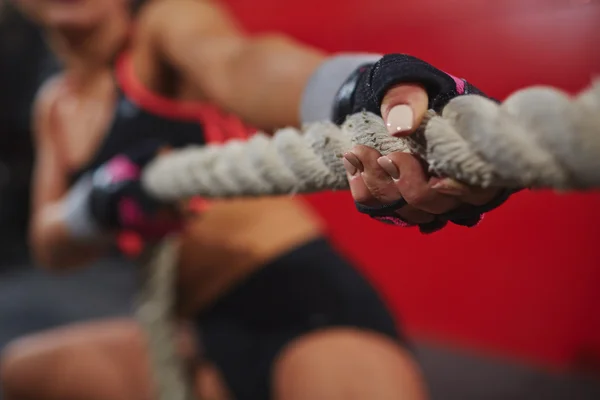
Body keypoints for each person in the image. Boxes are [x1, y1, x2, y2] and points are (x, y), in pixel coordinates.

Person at [0, 0, 509, 399]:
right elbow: (49, 245)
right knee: (21, 374)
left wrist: (355, 90)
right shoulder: (55, 107)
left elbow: (245, 64)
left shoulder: (163, 26)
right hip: (196, 333)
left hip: (297, 301)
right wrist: (99, 202)